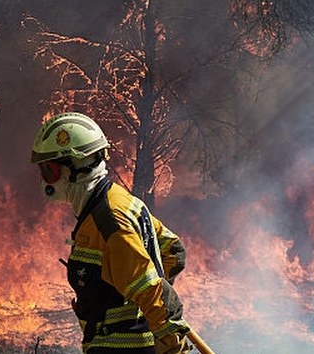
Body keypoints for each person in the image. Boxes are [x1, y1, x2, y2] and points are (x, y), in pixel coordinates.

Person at [31, 111, 194, 354]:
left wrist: (168, 340)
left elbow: (152, 290)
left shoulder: (108, 220)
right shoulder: (117, 201)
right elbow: (172, 250)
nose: (44, 180)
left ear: (76, 167)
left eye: (49, 171)